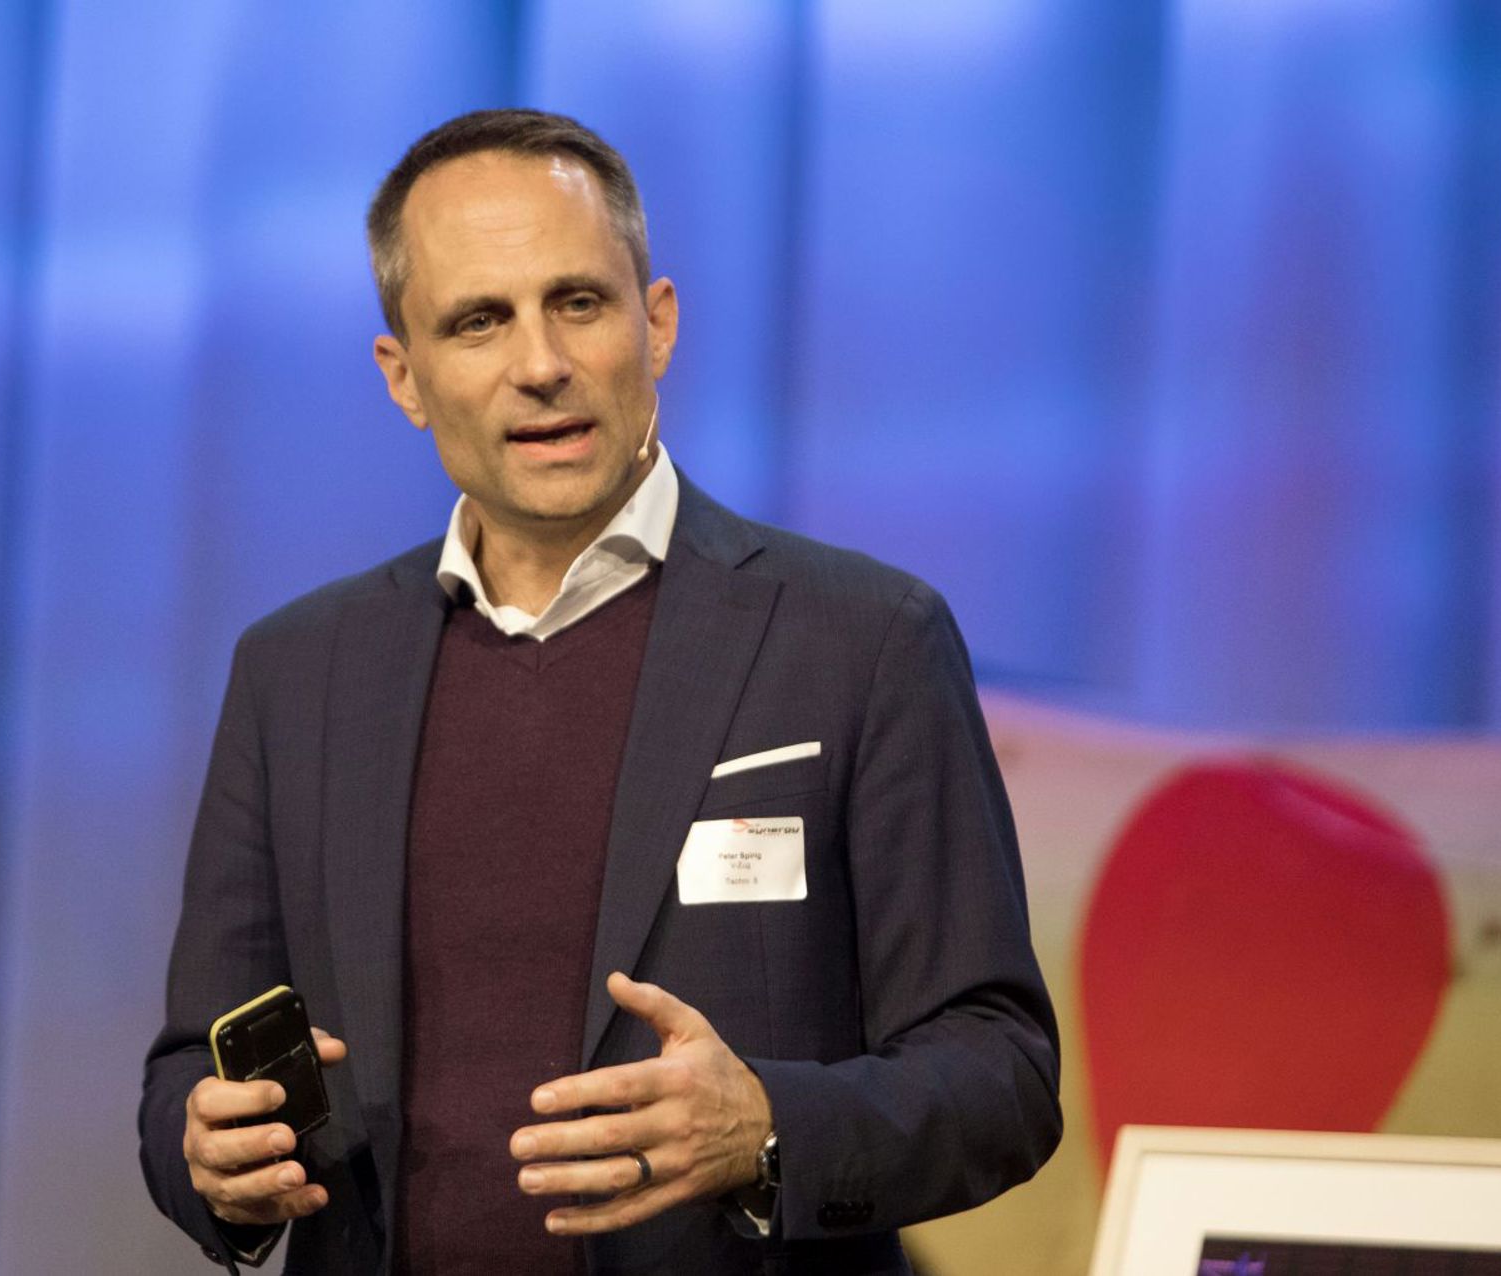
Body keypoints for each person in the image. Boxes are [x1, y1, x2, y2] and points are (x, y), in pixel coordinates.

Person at [139, 108, 1060, 1275]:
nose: (539, 364)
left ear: (655, 321)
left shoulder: (863, 639)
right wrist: (209, 1158)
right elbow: (187, 1072)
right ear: (403, 376)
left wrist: (765, 1128)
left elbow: (999, 1072)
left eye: (576, 302)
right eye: (478, 321)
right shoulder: (297, 671)